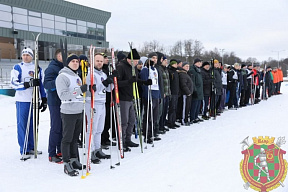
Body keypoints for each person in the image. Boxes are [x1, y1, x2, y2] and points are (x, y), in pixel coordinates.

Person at [10, 47, 47, 158]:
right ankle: (24, 149)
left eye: (28, 55)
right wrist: (26, 85)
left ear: (32, 56)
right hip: (22, 101)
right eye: (24, 54)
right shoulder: (18, 67)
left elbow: (41, 84)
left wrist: (44, 99)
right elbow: (13, 83)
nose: (26, 57)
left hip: (34, 100)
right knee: (22, 125)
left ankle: (31, 146)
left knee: (33, 124)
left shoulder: (37, 68)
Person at [55, 54, 87, 176]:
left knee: (74, 139)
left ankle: (74, 160)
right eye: (72, 61)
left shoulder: (77, 76)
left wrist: (88, 90)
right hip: (68, 111)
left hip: (79, 110)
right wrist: (80, 90)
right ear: (68, 63)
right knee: (67, 139)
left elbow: (80, 93)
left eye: (77, 61)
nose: (75, 63)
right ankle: (66, 163)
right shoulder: (62, 76)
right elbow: (63, 95)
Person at [117, 49, 149, 151]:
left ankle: (128, 139)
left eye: (137, 61)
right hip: (123, 98)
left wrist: (144, 82)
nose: (136, 63)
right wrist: (128, 81)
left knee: (132, 120)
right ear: (129, 59)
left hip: (132, 97)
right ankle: (122, 141)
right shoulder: (121, 67)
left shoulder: (133, 68)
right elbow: (117, 83)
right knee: (124, 121)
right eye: (135, 61)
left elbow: (135, 80)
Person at [85, 53, 115, 164]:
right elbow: (93, 90)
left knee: (99, 129)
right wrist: (105, 82)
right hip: (93, 102)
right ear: (93, 61)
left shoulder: (103, 73)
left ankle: (97, 149)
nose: (99, 63)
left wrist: (112, 80)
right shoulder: (90, 74)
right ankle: (90, 151)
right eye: (97, 61)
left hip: (102, 102)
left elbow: (108, 90)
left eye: (101, 61)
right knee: (92, 129)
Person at [44, 49, 64, 163]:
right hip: (55, 101)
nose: (63, 57)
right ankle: (52, 153)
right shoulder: (52, 68)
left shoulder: (65, 67)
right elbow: (47, 85)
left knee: (62, 127)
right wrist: (58, 81)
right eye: (61, 55)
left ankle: (60, 149)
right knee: (56, 127)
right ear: (57, 56)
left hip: (64, 101)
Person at [140, 54, 160, 143]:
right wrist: (146, 95)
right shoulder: (145, 70)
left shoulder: (154, 69)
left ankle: (152, 133)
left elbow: (157, 83)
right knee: (148, 116)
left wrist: (159, 95)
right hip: (149, 95)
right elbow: (144, 83)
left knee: (154, 116)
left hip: (155, 95)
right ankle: (146, 134)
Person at [189, 58, 204, 124]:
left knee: (198, 104)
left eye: (200, 63)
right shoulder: (193, 70)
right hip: (196, 90)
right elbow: (193, 81)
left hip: (200, 90)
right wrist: (194, 90)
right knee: (194, 105)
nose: (199, 64)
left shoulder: (199, 70)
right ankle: (192, 117)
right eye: (198, 62)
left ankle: (196, 116)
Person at [167, 59, 180, 129]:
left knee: (175, 108)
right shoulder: (170, 71)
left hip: (176, 92)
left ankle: (173, 121)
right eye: (174, 64)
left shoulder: (176, 72)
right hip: (172, 92)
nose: (176, 65)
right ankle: (170, 122)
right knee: (171, 108)